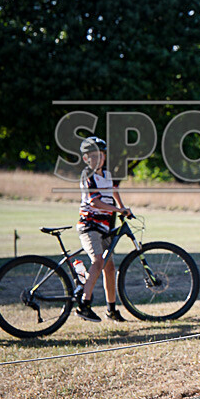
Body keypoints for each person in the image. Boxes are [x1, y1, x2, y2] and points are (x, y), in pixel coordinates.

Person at [75, 136, 132, 322]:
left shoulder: (106, 175)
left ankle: (111, 310)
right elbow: (95, 202)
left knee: (110, 268)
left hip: (104, 227)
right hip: (90, 226)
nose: (98, 159)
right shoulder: (88, 176)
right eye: (93, 156)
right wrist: (118, 210)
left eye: (100, 155)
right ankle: (84, 305)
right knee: (98, 261)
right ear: (86, 159)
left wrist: (122, 207)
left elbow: (114, 190)